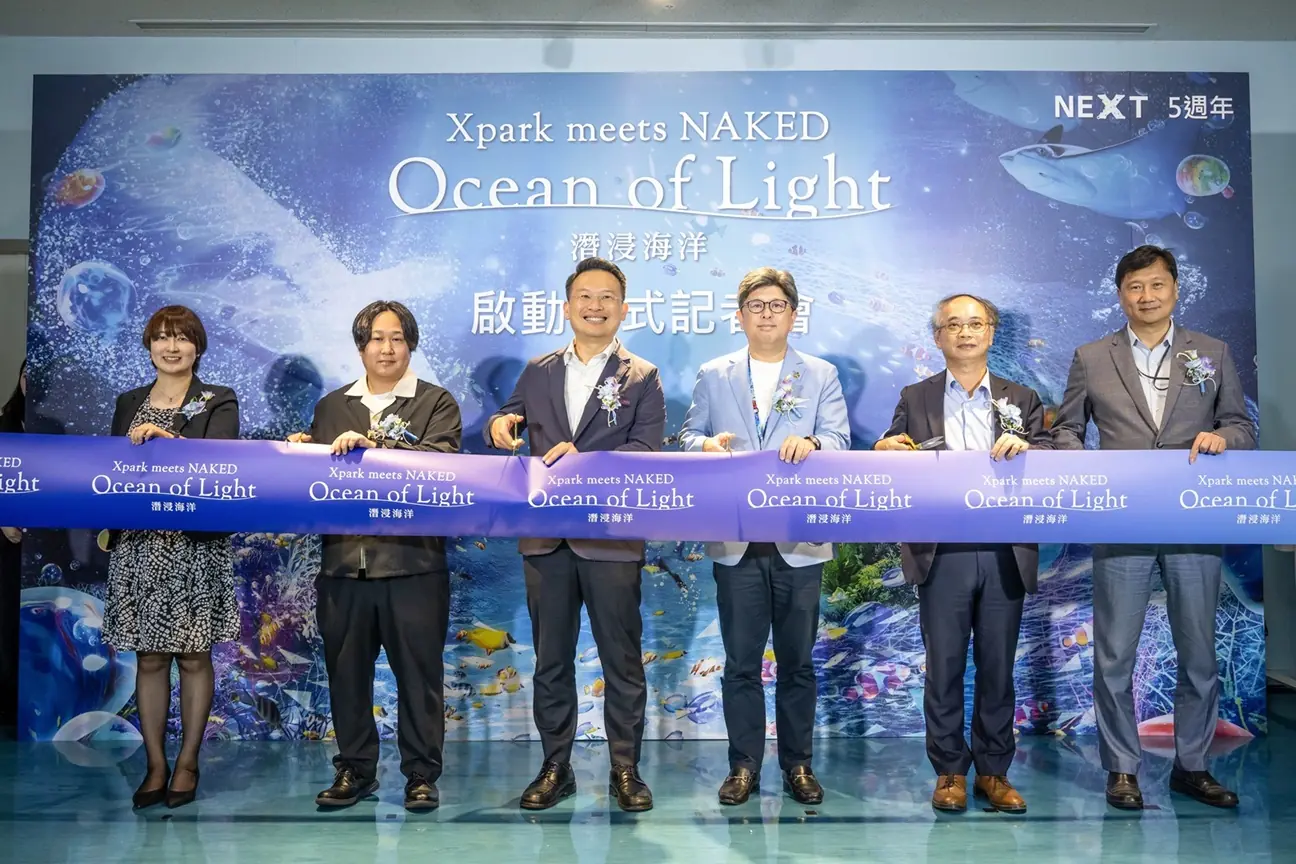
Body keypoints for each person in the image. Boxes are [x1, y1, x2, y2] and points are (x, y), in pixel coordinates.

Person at [1051, 245, 1255, 810]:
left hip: (1193, 518)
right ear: (1121, 294)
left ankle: (1193, 766)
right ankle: (1122, 769)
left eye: (1157, 285)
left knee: (1199, 652)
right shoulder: (1092, 356)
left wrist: (1223, 438)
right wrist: (1080, 463)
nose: (1147, 296)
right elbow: (1066, 430)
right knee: (1115, 653)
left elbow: (1241, 425)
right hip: (1121, 518)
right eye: (1135, 287)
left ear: (1175, 289)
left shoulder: (1211, 352)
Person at [484, 257, 666, 812]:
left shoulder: (643, 376)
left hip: (611, 537)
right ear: (566, 308)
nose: (595, 305)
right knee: (551, 660)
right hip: (546, 538)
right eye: (585, 296)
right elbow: (510, 416)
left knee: (622, 660)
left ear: (623, 309)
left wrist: (584, 461)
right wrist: (499, 425)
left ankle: (625, 769)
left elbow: (646, 452)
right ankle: (555, 766)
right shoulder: (538, 370)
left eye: (607, 297)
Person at [679, 267, 849, 806]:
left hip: (799, 540)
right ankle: (744, 766)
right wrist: (705, 446)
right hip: (736, 540)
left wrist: (814, 444)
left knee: (798, 662)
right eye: (756, 305)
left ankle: (798, 765)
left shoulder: (820, 373)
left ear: (793, 314)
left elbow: (840, 439)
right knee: (740, 664)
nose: (767, 314)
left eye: (777, 305)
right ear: (740, 315)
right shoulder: (715, 373)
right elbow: (687, 437)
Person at [875, 294, 1051, 814]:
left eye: (976, 324)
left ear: (991, 332)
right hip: (941, 548)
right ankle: (949, 769)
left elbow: (1053, 454)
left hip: (1004, 547)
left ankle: (994, 772)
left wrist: (1031, 449)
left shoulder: (1023, 397)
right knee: (944, 665)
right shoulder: (916, 395)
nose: (966, 333)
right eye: (954, 325)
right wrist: (884, 447)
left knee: (997, 666)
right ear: (938, 337)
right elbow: (892, 446)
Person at [289, 300, 462, 812]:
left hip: (414, 567)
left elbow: (444, 467)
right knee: (346, 676)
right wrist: (299, 454)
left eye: (397, 338)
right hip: (344, 567)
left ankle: (421, 775)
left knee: (419, 678)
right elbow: (315, 483)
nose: (387, 349)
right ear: (360, 346)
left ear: (411, 345)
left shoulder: (435, 402)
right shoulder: (331, 406)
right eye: (376, 339)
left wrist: (375, 450)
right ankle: (355, 770)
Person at [101, 307, 240, 809]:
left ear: (197, 347)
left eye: (182, 338)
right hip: (140, 545)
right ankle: (155, 765)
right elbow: (111, 468)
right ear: (149, 346)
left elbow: (221, 460)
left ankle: (188, 763)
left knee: (194, 655)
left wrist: (170, 443)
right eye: (162, 338)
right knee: (150, 656)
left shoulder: (217, 399)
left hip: (193, 544)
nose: (172, 347)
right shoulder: (128, 402)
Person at [0, 360, 25, 729]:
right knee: (6, 619)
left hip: (43, 541)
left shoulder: (52, 426)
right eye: (25, 374)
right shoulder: (3, 423)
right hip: (5, 542)